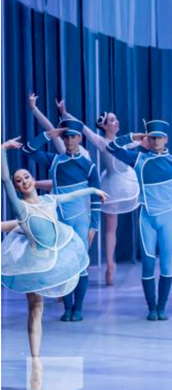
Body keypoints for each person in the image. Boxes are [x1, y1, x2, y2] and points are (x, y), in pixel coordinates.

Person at [1, 139, 102, 373]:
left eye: (26, 177)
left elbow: (73, 195)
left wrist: (94, 190)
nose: (24, 181)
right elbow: (4, 180)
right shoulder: (21, 208)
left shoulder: (50, 199)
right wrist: (2, 151)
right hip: (34, 261)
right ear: (17, 188)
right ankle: (35, 357)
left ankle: (71, 309)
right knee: (36, 307)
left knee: (65, 282)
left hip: (57, 252)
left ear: (33, 179)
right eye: (19, 181)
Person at [107, 120, 172, 321]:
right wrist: (134, 137)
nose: (156, 141)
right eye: (152, 137)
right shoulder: (139, 159)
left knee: (167, 264)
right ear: (148, 139)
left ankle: (162, 307)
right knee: (148, 264)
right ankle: (152, 307)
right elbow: (112, 147)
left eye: (159, 137)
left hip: (168, 218)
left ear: (166, 139)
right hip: (147, 219)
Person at [21, 119, 101, 322]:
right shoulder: (55, 161)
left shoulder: (89, 166)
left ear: (80, 138)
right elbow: (28, 149)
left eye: (73, 136)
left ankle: (78, 308)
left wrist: (94, 225)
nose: (69, 140)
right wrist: (49, 135)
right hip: (60, 222)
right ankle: (67, 308)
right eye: (66, 137)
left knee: (81, 265)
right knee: (64, 266)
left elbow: (96, 198)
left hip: (81, 222)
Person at [57, 100, 143, 287]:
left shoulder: (124, 141)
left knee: (140, 213)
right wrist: (64, 113)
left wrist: (146, 138)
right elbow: (82, 127)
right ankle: (110, 264)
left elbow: (139, 141)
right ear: (104, 126)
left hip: (129, 183)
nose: (116, 122)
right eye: (111, 120)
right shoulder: (101, 141)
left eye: (116, 119)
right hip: (112, 186)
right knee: (110, 227)